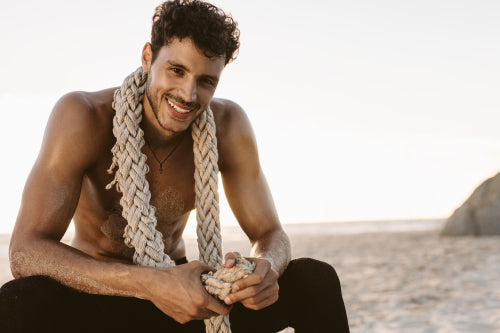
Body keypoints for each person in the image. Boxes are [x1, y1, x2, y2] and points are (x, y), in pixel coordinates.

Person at [0, 1, 349, 332]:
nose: (188, 94)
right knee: (19, 302)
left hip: (184, 304)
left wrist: (266, 270)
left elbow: (270, 234)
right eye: (176, 70)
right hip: (102, 299)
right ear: (147, 57)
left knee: (313, 281)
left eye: (206, 81)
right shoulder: (85, 116)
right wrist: (150, 284)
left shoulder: (228, 126)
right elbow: (26, 252)